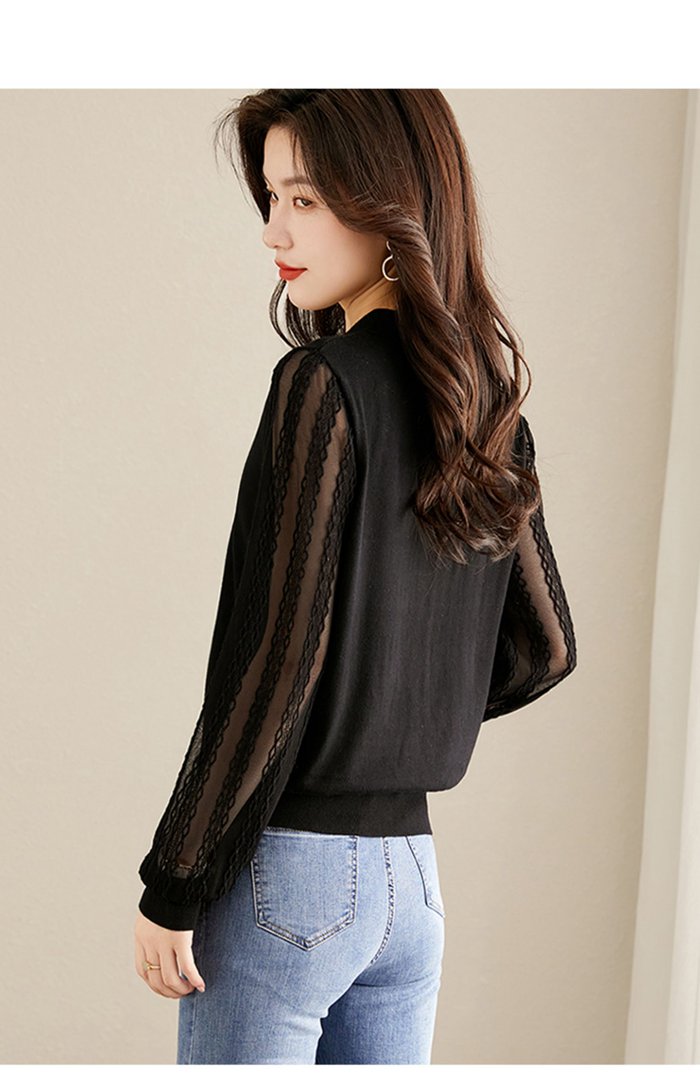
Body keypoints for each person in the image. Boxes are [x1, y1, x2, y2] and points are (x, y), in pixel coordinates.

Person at [133, 89, 577, 1065]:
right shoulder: (486, 403)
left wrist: (174, 878)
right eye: (271, 198)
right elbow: (546, 650)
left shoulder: (320, 382)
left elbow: (275, 662)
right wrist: (399, 715)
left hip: (288, 883)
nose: (273, 231)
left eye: (305, 199)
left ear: (389, 206)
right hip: (412, 888)